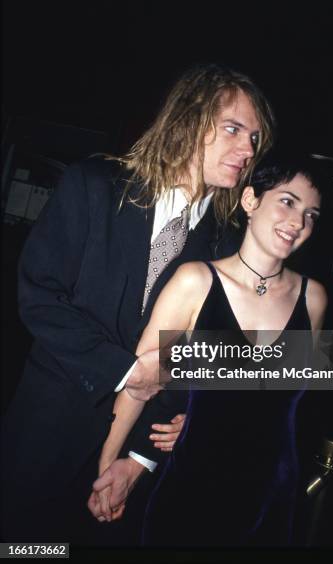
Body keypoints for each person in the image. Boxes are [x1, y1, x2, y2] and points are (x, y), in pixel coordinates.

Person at [0, 63, 275, 543]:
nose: (247, 149)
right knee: (24, 547)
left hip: (134, 454)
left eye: (254, 138)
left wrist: (150, 452)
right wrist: (126, 371)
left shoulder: (229, 243)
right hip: (48, 429)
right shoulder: (94, 184)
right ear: (188, 118)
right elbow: (38, 296)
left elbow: (211, 356)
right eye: (234, 128)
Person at [89, 155, 329, 546]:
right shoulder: (194, 282)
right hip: (191, 484)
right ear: (250, 200)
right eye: (287, 201)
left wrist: (212, 409)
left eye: (311, 214)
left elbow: (283, 399)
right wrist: (107, 467)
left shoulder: (314, 298)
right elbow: (141, 384)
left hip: (273, 492)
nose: (298, 222)